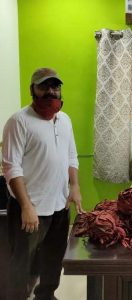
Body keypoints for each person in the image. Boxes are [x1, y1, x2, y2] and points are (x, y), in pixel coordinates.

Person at [2, 67, 84, 300]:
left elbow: (71, 157)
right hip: (30, 208)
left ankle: (46, 295)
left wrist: (75, 186)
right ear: (32, 90)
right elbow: (11, 167)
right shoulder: (19, 121)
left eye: (55, 87)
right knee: (22, 262)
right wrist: (26, 206)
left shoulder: (64, 120)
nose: (50, 91)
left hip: (59, 206)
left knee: (54, 257)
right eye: (44, 86)